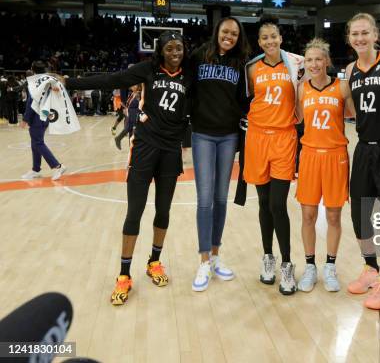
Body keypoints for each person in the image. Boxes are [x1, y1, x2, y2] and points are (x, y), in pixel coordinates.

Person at [59, 31, 189, 305]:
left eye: (179, 47)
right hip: (145, 148)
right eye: (170, 48)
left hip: (170, 152)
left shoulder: (190, 74)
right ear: (161, 51)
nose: (175, 52)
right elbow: (111, 79)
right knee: (135, 212)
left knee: (163, 210)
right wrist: (69, 81)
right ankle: (124, 274)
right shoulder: (148, 70)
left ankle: (154, 262)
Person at [188, 16, 251, 292]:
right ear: (217, 32)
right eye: (226, 32)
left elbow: (245, 99)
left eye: (234, 34)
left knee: (220, 198)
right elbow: (186, 87)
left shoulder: (241, 62)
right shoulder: (199, 55)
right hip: (202, 133)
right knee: (204, 199)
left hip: (228, 136)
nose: (229, 37)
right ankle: (202, 261)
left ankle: (215, 256)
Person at [244, 15, 304, 295]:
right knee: (264, 201)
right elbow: (245, 101)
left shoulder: (296, 63)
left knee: (278, 204)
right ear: (259, 42)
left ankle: (288, 264)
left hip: (284, 138)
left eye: (274, 36)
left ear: (281, 38)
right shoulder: (251, 68)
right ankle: (268, 257)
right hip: (257, 138)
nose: (269, 41)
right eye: (264, 37)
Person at [344, 13, 380, 310]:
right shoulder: (350, 69)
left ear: (375, 34)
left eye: (365, 32)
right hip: (364, 148)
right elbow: (350, 108)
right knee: (359, 213)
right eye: (355, 34)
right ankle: (370, 268)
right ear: (349, 38)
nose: (360, 38)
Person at [294, 38, 355, 293]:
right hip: (309, 155)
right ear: (304, 63)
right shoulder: (300, 88)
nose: (314, 64)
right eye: (309, 60)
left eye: (318, 59)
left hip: (335, 156)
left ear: (327, 61)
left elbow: (354, 114)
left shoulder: (342, 87)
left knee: (333, 215)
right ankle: (310, 267)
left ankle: (330, 266)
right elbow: (296, 118)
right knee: (308, 215)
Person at [20, 61, 67, 181]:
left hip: (37, 117)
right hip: (44, 115)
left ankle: (58, 166)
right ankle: (36, 169)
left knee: (38, 143)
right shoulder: (47, 80)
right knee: (35, 143)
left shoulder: (35, 83)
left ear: (33, 70)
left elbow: (31, 102)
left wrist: (25, 119)